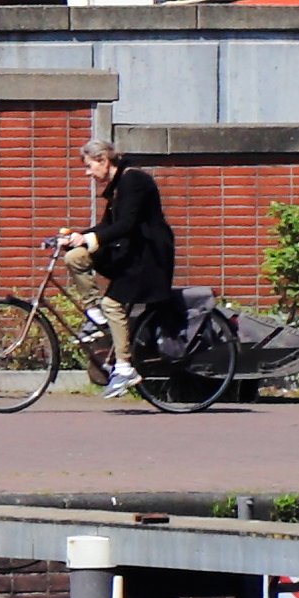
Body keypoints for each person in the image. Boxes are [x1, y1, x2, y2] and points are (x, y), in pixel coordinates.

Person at [85, 127, 179, 396]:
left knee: (112, 304)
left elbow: (125, 225)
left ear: (103, 159)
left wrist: (90, 239)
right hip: (134, 255)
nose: (88, 173)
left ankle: (125, 367)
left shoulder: (132, 181)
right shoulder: (118, 186)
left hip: (148, 259)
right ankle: (92, 310)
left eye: (90, 166)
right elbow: (107, 226)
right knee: (76, 257)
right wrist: (79, 236)